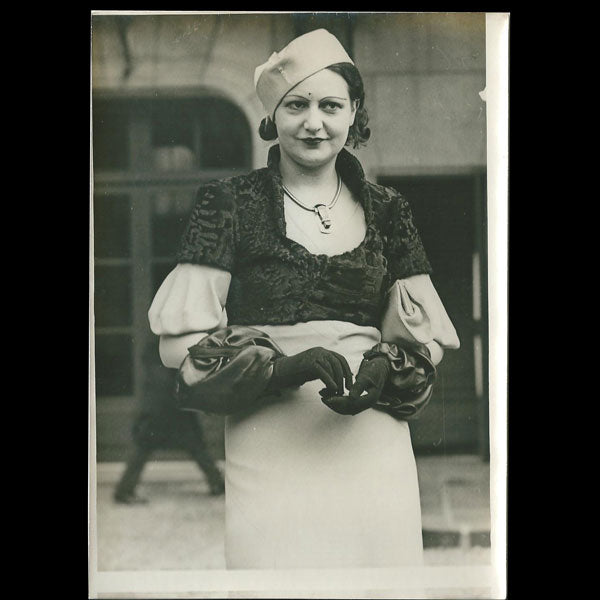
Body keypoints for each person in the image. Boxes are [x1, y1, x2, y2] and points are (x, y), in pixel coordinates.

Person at [148, 29, 459, 569]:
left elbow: (425, 342)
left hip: (371, 443)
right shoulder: (229, 204)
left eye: (331, 105)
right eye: (297, 105)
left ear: (353, 112)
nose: (314, 122)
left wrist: (386, 368)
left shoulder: (388, 210)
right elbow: (180, 349)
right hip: (269, 442)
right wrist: (287, 368)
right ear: (273, 115)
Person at [113, 340, 224, 504]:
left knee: (192, 445)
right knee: (152, 445)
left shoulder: (162, 343)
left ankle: (217, 483)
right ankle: (124, 490)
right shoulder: (159, 345)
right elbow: (164, 376)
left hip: (166, 403)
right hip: (164, 404)